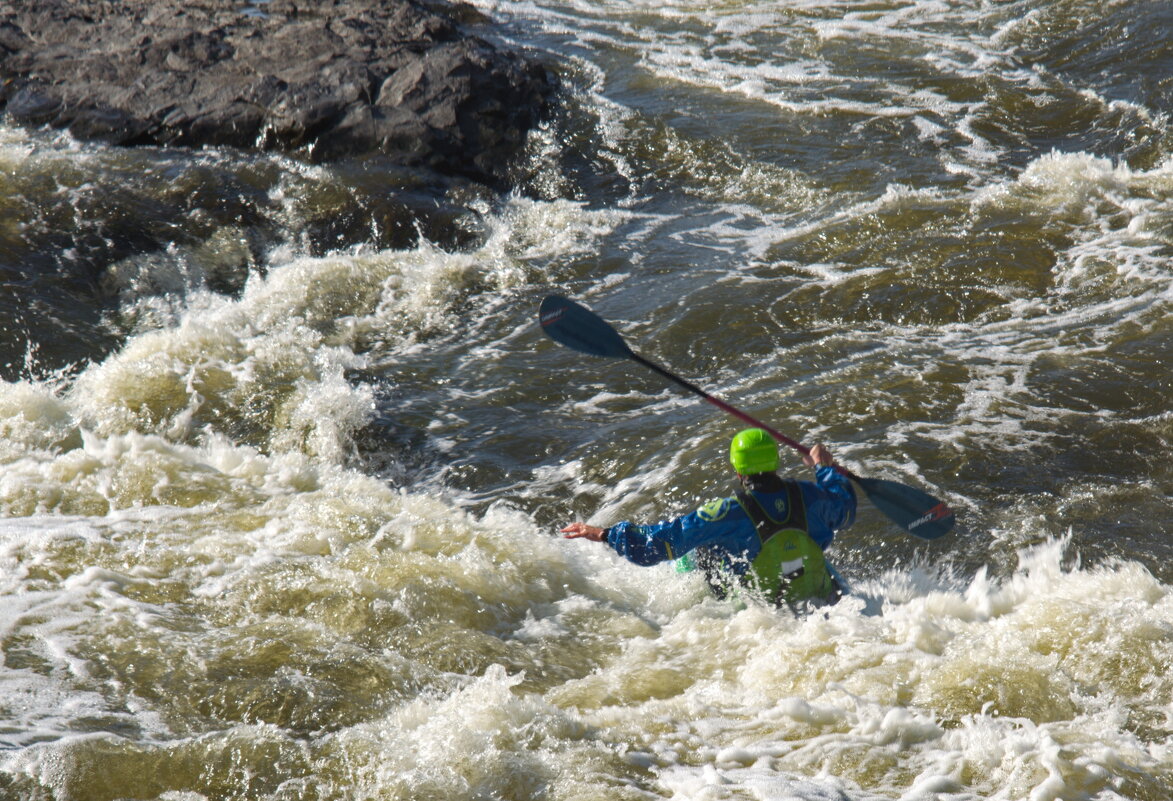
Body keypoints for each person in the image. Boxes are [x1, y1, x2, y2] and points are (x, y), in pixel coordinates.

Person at [562, 428, 857, 609]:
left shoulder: (725, 512)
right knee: (796, 542)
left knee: (700, 549)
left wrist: (604, 534)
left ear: (738, 471)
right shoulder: (812, 496)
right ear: (775, 463)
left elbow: (662, 544)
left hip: (764, 610)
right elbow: (845, 507)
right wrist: (824, 467)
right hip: (818, 597)